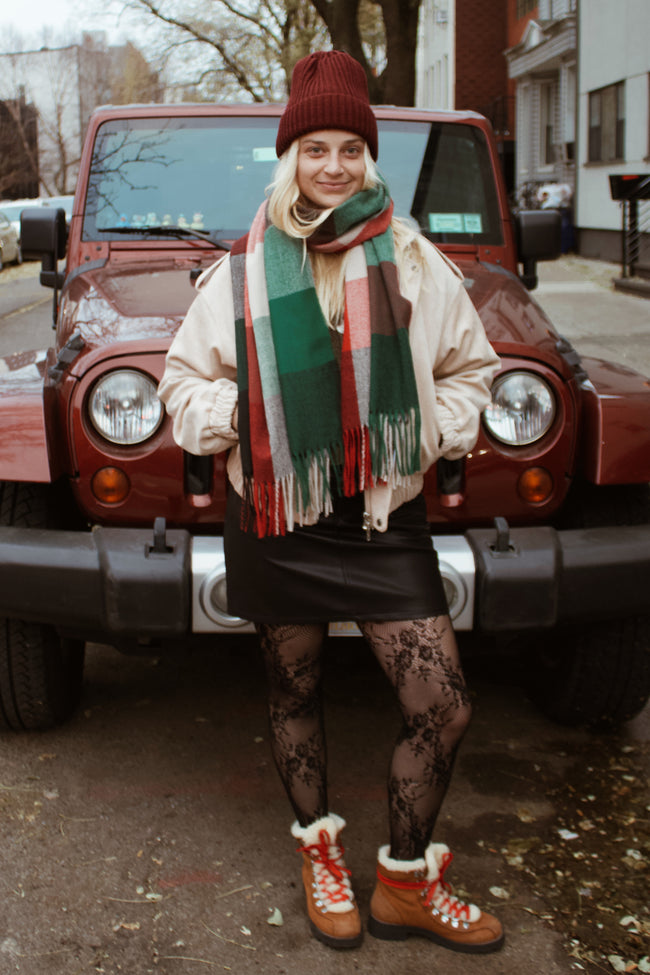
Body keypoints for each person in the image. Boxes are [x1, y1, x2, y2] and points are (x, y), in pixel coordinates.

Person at [158, 50, 503, 954]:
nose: (334, 165)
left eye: (351, 148)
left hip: (384, 518)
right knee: (294, 690)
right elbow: (181, 385)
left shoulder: (413, 257)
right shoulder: (241, 269)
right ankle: (320, 855)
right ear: (291, 158)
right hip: (278, 513)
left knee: (443, 704)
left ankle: (406, 882)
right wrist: (251, 415)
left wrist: (423, 431)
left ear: (369, 157)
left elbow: (472, 370)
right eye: (316, 148)